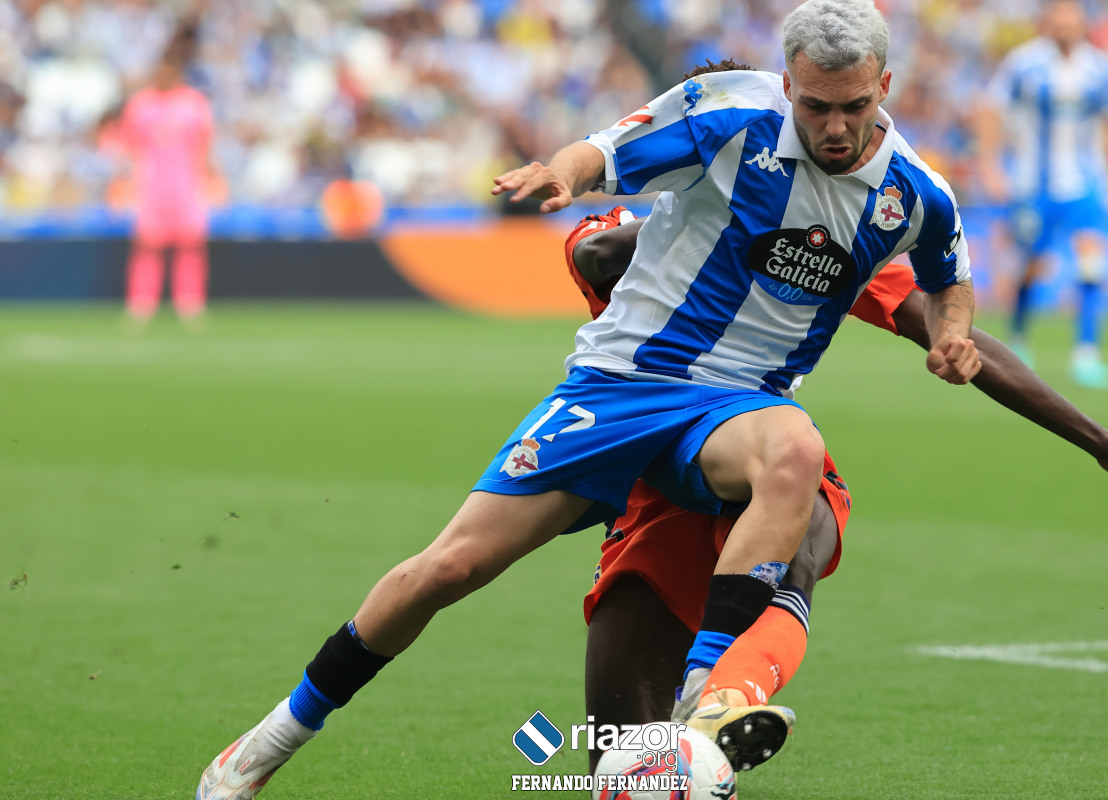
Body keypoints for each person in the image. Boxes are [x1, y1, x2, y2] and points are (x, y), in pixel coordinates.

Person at [197, 2, 980, 796]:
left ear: (884, 86)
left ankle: (703, 700)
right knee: (449, 567)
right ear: (788, 85)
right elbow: (606, 149)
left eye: (854, 106)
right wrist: (563, 175)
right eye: (815, 106)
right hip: (621, 384)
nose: (836, 126)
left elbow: (950, 280)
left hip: (738, 408)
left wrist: (952, 335)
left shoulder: (916, 193)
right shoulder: (730, 114)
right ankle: (269, 741)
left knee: (797, 450)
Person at [565, 204, 1108, 772]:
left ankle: (725, 695)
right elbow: (596, 255)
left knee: (807, 521)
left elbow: (953, 334)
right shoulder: (639, 220)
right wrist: (728, 204)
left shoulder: (819, 229)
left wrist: (1104, 444)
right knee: (620, 764)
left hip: (760, 449)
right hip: (658, 478)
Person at [977, 0, 1108, 389]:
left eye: (1073, 18)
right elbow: (990, 110)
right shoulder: (1023, 64)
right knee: (1031, 265)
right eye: (1059, 18)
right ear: (1048, 22)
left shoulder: (1100, 68)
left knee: (1092, 264)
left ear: (1082, 24)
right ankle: (1018, 339)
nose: (1066, 25)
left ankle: (1087, 353)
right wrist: (990, 165)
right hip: (1033, 184)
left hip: (1085, 181)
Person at [120, 26, 215, 331]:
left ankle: (190, 303)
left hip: (186, 185)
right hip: (150, 186)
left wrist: (209, 181)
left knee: (190, 245)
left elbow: (205, 147)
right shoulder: (141, 105)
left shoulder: (194, 104)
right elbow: (129, 148)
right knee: (147, 246)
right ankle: (141, 303)